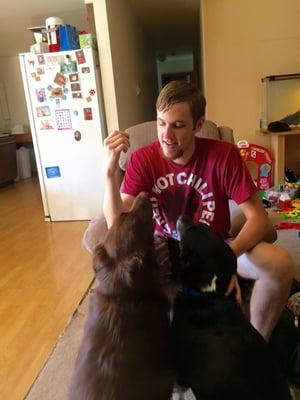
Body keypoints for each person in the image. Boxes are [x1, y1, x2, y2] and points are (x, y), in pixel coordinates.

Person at [102, 80, 294, 342]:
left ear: (199, 125)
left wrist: (225, 260)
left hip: (213, 248)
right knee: (114, 271)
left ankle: (257, 347)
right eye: (161, 123)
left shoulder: (224, 155)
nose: (166, 136)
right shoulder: (141, 159)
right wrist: (110, 174)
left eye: (178, 125)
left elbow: (258, 218)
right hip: (162, 252)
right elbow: (117, 225)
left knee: (280, 264)